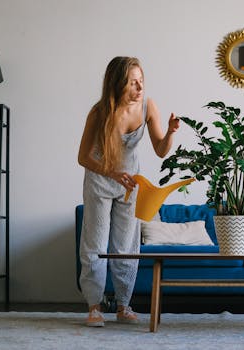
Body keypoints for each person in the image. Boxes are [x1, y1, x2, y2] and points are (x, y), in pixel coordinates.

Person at [78, 56, 179, 327]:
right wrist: (112, 173)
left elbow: (160, 149)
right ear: (117, 84)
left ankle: (123, 305)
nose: (139, 88)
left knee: (126, 247)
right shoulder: (99, 112)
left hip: (130, 187)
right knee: (95, 245)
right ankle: (94, 307)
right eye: (132, 83)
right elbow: (83, 157)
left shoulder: (147, 107)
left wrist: (169, 133)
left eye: (141, 82)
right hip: (100, 182)